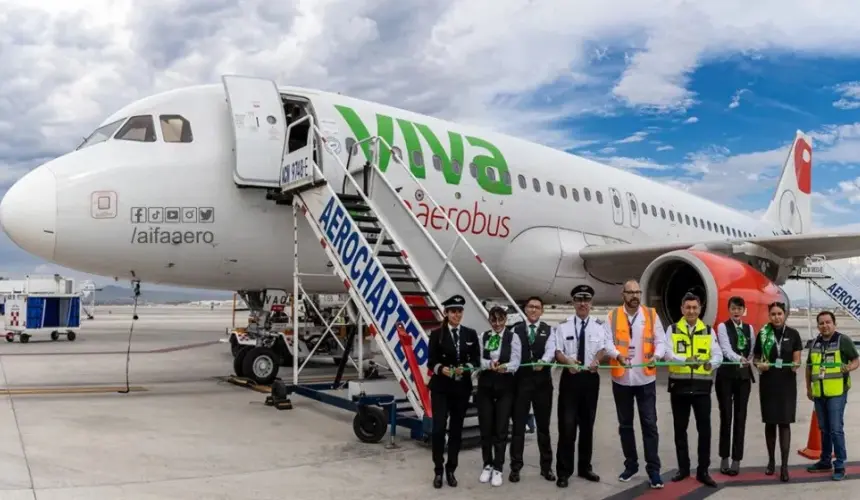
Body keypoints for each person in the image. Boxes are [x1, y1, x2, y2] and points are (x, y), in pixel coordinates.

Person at [552, 284, 627, 487]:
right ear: (574, 302)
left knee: (587, 426)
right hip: (570, 379)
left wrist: (598, 359)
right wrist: (567, 361)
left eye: (586, 300)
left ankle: (585, 467)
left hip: (590, 379)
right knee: (567, 427)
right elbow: (557, 351)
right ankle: (563, 471)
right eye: (579, 299)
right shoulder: (563, 326)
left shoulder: (600, 326)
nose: (583, 303)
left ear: (591, 303)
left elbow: (605, 347)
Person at [604, 279, 666, 489]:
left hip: (645, 378)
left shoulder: (651, 314)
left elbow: (661, 341)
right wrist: (616, 355)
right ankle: (631, 465)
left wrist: (656, 356)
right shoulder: (612, 316)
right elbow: (607, 342)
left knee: (649, 424)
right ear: (623, 294)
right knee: (626, 425)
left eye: (637, 292)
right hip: (621, 379)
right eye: (630, 292)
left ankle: (654, 471)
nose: (634, 296)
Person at [664, 292, 721, 487]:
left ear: (700, 309)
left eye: (694, 308)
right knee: (680, 430)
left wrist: (710, 365)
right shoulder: (672, 330)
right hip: (679, 388)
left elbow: (718, 355)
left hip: (701, 388)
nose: (691, 311)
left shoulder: (707, 331)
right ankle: (683, 468)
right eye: (687, 307)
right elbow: (667, 354)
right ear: (682, 309)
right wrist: (685, 360)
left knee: (704, 431)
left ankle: (703, 470)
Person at [427, 294, 481, 489]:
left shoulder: (470, 334)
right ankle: (438, 470)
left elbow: (476, 360)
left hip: (461, 389)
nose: (457, 315)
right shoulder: (436, 334)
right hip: (441, 388)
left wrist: (466, 367)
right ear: (446, 313)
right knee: (439, 429)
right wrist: (441, 368)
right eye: (453, 311)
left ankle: (451, 469)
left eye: (459, 311)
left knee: (456, 430)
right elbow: (431, 361)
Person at [805, 310, 860, 480]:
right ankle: (825, 460)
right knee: (824, 429)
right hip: (819, 393)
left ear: (834, 324)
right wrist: (809, 388)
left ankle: (840, 465)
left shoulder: (843, 340)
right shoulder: (814, 343)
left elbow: (856, 359)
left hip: (837, 393)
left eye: (828, 322)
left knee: (836, 429)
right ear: (818, 326)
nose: (825, 325)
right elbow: (809, 367)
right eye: (821, 323)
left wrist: (849, 367)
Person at [753, 301, 803, 482]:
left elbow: (797, 358)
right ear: (769, 316)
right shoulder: (764, 334)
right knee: (770, 423)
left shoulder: (793, 334)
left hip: (786, 385)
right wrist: (759, 365)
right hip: (768, 383)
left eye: (779, 314)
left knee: (784, 423)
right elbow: (756, 357)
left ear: (785, 314)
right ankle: (771, 461)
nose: (776, 317)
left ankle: (784, 466)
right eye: (773, 314)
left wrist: (796, 364)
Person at [509, 296, 557, 483]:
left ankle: (546, 467)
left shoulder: (549, 330)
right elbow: (513, 353)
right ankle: (515, 467)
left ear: (542, 311)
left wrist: (543, 362)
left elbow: (551, 350)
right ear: (525, 309)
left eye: (537, 307)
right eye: (530, 307)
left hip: (542, 384)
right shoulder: (516, 330)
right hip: (520, 384)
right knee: (518, 427)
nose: (534, 310)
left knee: (543, 427)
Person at [477, 306, 521, 487]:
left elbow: (516, 361)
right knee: (486, 428)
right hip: (486, 386)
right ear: (489, 320)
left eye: (500, 320)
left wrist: (506, 367)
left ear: (506, 320)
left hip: (505, 386)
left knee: (501, 429)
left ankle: (498, 467)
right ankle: (487, 464)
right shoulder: (483, 337)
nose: (497, 324)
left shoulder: (513, 337)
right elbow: (477, 359)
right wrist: (488, 364)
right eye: (493, 320)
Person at [715, 296, 756, 476]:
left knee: (741, 417)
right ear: (729, 310)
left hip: (744, 377)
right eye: (733, 308)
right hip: (726, 375)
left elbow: (753, 348)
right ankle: (724, 456)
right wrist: (739, 359)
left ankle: (736, 458)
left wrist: (749, 360)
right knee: (726, 416)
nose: (736, 311)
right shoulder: (723, 327)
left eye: (739, 308)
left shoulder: (749, 328)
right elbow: (725, 349)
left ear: (743, 310)